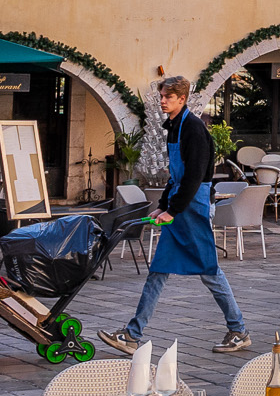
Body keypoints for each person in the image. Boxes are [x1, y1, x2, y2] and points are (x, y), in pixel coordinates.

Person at [98, 76, 251, 356]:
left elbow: (194, 177)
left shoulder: (193, 128)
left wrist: (173, 209)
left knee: (210, 271)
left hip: (193, 208)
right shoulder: (174, 127)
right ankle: (132, 335)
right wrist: (164, 205)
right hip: (181, 206)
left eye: (169, 96)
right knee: (158, 271)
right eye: (162, 96)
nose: (163, 100)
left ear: (182, 99)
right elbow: (176, 176)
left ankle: (239, 330)